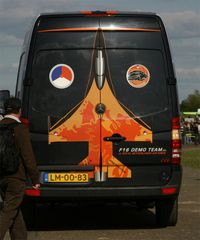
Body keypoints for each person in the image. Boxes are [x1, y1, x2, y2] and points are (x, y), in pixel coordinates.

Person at [0, 97, 40, 240]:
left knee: (14, 212)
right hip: (16, 178)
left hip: (2, 178)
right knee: (8, 211)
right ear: (20, 111)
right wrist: (35, 178)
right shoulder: (20, 129)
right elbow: (28, 156)